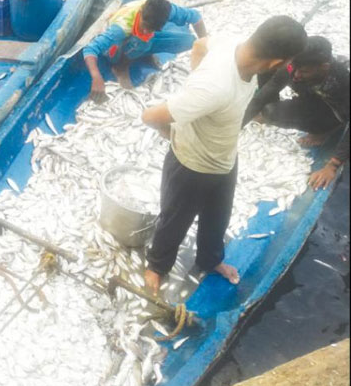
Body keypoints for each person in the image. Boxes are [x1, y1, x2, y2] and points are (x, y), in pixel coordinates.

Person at [140, 15, 307, 294]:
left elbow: (200, 46)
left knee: (218, 217)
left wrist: (194, 88)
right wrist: (170, 129)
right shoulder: (213, 87)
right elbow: (149, 115)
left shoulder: (236, 44)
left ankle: (210, 260)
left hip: (224, 158)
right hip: (191, 165)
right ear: (276, 63)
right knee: (175, 219)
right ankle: (157, 266)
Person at [243, 35, 349, 190]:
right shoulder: (296, 66)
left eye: (304, 71)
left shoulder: (343, 80)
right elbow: (269, 89)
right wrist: (238, 123)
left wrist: (332, 165)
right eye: (295, 68)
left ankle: (326, 130)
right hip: (316, 96)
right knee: (270, 110)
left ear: (325, 67)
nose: (296, 75)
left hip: (338, 110)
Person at [82, 0, 207, 95]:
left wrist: (205, 41)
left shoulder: (165, 11)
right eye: (145, 25)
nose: (147, 30)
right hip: (115, 47)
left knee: (189, 41)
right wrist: (96, 76)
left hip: (140, 39)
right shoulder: (121, 27)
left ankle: (143, 51)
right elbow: (90, 49)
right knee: (142, 41)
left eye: (153, 28)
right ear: (141, 12)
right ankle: (120, 68)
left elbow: (195, 17)